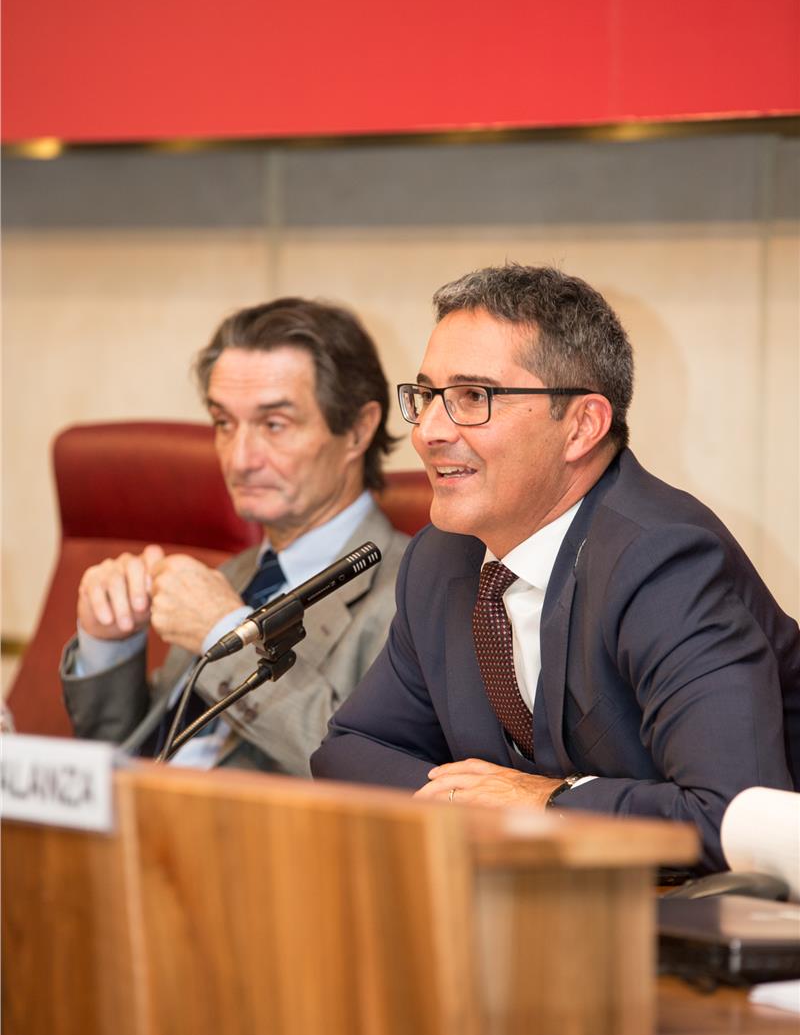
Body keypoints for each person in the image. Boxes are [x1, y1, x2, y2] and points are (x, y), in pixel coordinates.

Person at [311, 264, 800, 871]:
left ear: (582, 427)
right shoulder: (441, 556)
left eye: (473, 398)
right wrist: (474, 806)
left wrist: (549, 803)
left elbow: (734, 816)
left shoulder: (666, 562)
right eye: (428, 396)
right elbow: (352, 749)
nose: (428, 432)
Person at [61, 297, 410, 775]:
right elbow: (133, 759)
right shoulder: (233, 574)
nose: (240, 459)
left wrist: (224, 631)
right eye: (224, 423)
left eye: (274, 425)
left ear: (357, 429)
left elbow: (367, 767)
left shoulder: (414, 594)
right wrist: (109, 642)